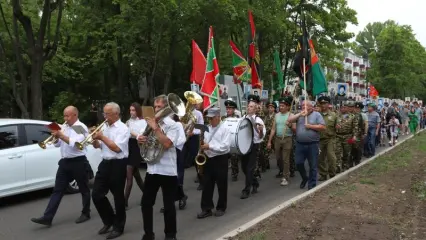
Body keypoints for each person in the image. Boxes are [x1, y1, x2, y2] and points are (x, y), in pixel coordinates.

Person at [31, 106, 92, 226]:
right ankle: (47, 217)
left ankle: (86, 213)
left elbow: (77, 144)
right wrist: (55, 138)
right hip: (65, 162)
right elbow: (58, 145)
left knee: (84, 189)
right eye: (64, 115)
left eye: (67, 116)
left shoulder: (80, 127)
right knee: (57, 190)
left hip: (78, 161)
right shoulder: (64, 127)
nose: (65, 118)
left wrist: (61, 135)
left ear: (75, 115)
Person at [138, 95, 186, 240]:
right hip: (152, 170)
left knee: (169, 206)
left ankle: (170, 235)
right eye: (155, 107)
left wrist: (156, 128)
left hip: (167, 171)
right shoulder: (148, 123)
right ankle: (148, 234)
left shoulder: (174, 125)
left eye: (159, 107)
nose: (156, 110)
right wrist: (140, 139)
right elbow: (143, 142)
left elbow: (167, 144)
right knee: (146, 203)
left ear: (167, 108)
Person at [92, 102, 130, 239]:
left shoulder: (123, 128)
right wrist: (94, 139)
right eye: (104, 113)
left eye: (107, 114)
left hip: (118, 163)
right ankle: (109, 220)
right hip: (105, 163)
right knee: (96, 194)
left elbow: (117, 148)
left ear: (116, 113)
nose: (104, 116)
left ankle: (119, 226)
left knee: (118, 196)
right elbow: (99, 146)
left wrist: (102, 137)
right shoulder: (105, 128)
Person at [197, 107, 231, 218]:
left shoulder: (225, 128)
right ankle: (206, 208)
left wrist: (209, 146)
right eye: (209, 118)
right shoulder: (207, 128)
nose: (210, 120)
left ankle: (221, 207)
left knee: (221, 184)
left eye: (212, 118)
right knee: (207, 184)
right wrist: (202, 148)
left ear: (218, 117)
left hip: (220, 158)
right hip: (208, 158)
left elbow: (225, 146)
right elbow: (205, 142)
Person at [287, 100, 325, 190]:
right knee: (298, 163)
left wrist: (310, 126)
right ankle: (305, 178)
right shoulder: (299, 115)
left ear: (311, 107)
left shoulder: (317, 115)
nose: (303, 107)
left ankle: (311, 185)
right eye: (302, 105)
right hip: (300, 144)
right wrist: (300, 114)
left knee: (313, 165)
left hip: (312, 144)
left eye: (306, 105)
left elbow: (323, 127)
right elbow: (289, 120)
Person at [240, 95, 265, 199]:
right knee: (244, 168)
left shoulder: (259, 120)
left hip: (253, 145)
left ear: (255, 109)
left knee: (250, 168)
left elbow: (261, 136)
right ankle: (255, 182)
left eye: (251, 107)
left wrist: (259, 130)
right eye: (248, 106)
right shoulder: (243, 119)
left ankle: (246, 190)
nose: (249, 108)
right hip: (243, 145)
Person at [267, 97, 295, 186]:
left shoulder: (291, 115)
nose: (281, 107)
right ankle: (283, 171)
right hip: (278, 139)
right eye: (280, 106)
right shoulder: (277, 115)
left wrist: (290, 125)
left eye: (283, 106)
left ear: (287, 107)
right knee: (278, 158)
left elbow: (295, 130)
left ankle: (285, 177)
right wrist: (269, 141)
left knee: (285, 159)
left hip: (287, 139)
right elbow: (273, 129)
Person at [124, 103, 146, 208]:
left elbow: (141, 135)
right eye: (130, 110)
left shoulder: (143, 122)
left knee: (129, 176)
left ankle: (124, 201)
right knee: (136, 175)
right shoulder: (128, 121)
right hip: (128, 147)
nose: (131, 112)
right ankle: (147, 194)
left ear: (138, 111)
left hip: (137, 148)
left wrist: (129, 130)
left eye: (133, 110)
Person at [317, 96, 338, 181]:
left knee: (331, 157)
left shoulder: (333, 115)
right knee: (320, 158)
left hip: (330, 139)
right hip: (320, 139)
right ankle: (323, 174)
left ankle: (332, 174)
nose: (323, 105)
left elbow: (337, 127)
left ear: (328, 104)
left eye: (325, 103)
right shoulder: (317, 115)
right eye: (321, 103)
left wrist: (338, 127)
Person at [222, 99, 240, 182]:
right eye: (227, 108)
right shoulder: (223, 118)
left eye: (230, 109)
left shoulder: (237, 119)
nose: (228, 110)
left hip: (233, 141)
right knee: (223, 159)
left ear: (234, 110)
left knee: (234, 158)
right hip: (224, 142)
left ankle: (234, 173)